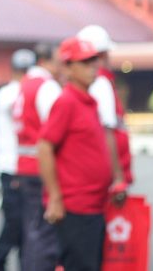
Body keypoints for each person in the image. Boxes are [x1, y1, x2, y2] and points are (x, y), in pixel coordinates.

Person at [38, 37, 114, 271]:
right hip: (76, 209)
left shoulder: (89, 102)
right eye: (84, 62)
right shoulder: (67, 102)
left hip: (94, 206)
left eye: (94, 61)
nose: (93, 67)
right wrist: (55, 197)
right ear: (68, 67)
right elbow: (44, 147)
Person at [11, 43, 62, 271]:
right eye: (57, 62)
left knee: (32, 230)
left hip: (25, 165)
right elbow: (56, 128)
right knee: (44, 233)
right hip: (40, 167)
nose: (60, 67)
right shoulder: (47, 86)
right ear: (44, 61)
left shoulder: (25, 84)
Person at [0, 48, 35, 271]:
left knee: (22, 222)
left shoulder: (12, 92)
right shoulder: (10, 93)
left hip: (17, 165)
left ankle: (19, 262)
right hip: (12, 166)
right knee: (15, 221)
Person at [77, 25, 132, 185]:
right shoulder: (100, 82)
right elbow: (106, 131)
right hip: (107, 169)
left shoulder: (94, 82)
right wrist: (117, 176)